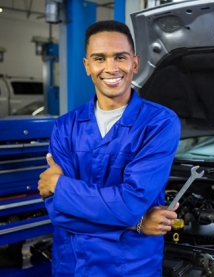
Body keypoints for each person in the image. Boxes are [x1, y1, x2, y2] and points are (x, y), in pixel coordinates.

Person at [38, 20, 181, 277]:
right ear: (87, 66)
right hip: (72, 264)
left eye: (120, 57)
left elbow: (130, 204)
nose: (111, 68)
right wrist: (136, 224)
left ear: (135, 63)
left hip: (129, 267)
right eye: (99, 58)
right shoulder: (65, 126)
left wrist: (60, 186)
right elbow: (57, 212)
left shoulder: (159, 123)